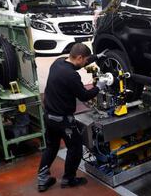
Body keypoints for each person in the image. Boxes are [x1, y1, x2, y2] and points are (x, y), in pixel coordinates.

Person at [37, 43, 108, 192]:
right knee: (75, 147)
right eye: (85, 60)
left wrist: (96, 57)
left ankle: (42, 180)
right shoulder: (72, 76)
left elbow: (78, 64)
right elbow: (84, 95)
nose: (84, 64)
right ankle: (68, 179)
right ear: (80, 57)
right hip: (63, 121)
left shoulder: (58, 63)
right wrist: (99, 87)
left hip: (49, 116)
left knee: (51, 147)